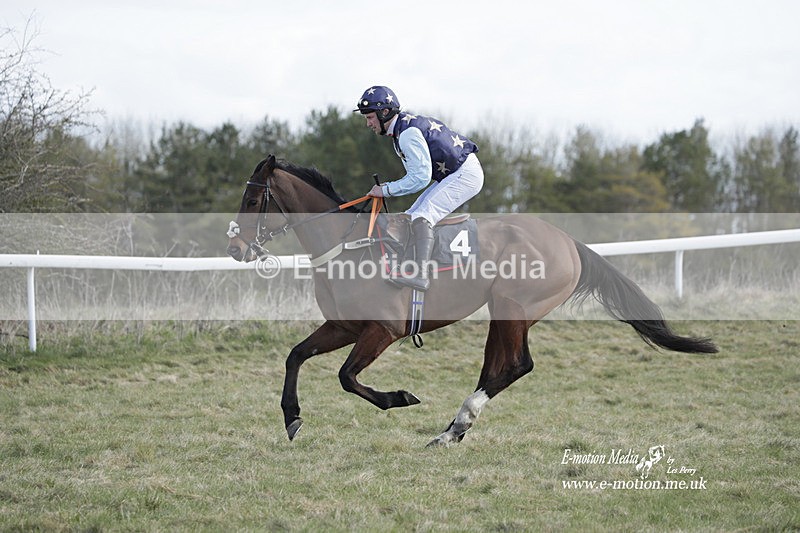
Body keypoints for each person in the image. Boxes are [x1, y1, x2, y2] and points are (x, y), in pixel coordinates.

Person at [355, 85, 484, 291]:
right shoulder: (401, 129)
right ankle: (406, 267)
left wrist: (386, 190)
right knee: (410, 214)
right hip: (453, 173)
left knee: (422, 215)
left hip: (464, 174)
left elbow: (420, 178)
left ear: (384, 113)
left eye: (370, 117)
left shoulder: (406, 134)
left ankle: (421, 276)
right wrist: (388, 187)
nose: (367, 123)